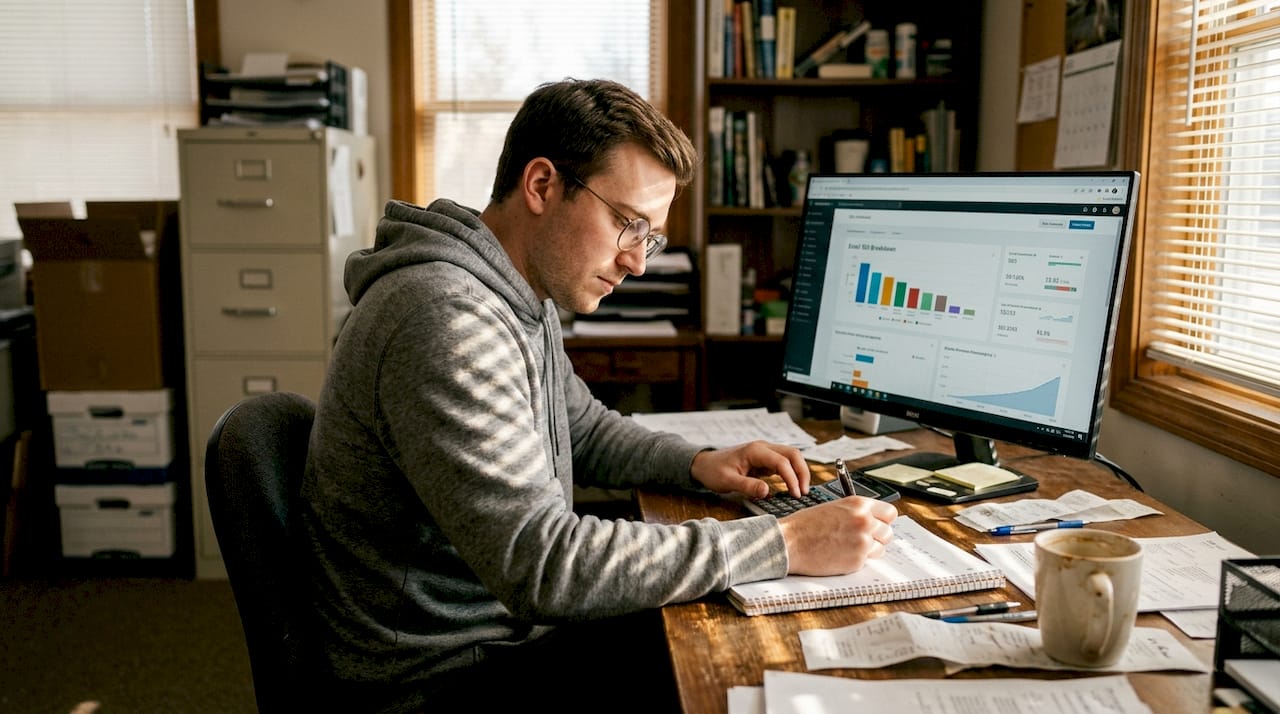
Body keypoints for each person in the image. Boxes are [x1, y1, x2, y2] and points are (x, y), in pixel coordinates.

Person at [298, 77, 898, 712]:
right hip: (438, 677)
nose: (638, 261)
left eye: (652, 236)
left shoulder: (516, 294)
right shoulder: (445, 319)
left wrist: (697, 464)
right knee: (746, 667)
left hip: (496, 630)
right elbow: (545, 564)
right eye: (628, 224)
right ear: (541, 185)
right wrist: (788, 544)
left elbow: (578, 426)